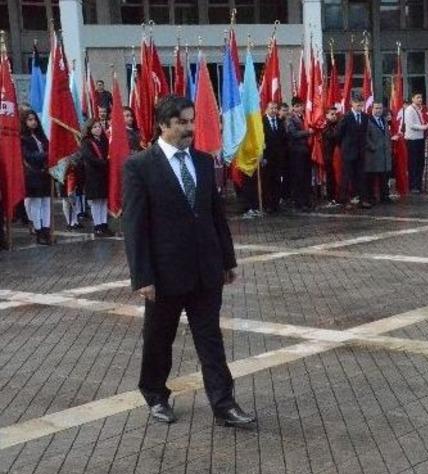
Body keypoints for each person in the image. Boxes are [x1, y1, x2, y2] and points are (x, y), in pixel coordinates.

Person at [122, 95, 255, 427]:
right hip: (165, 274)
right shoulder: (140, 166)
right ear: (163, 124)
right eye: (182, 122)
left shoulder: (204, 161)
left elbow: (215, 215)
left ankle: (224, 404)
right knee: (158, 339)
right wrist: (142, 277)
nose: (189, 128)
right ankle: (155, 395)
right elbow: (134, 227)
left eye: (191, 120)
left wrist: (227, 259)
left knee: (210, 340)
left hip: (206, 270)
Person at [20, 111, 53, 246]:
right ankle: (38, 232)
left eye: (34, 119)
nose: (33, 122)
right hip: (32, 174)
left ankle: (46, 230)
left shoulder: (41, 136)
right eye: (29, 120)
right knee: (36, 203)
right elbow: (29, 156)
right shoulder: (23, 138)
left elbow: (49, 148)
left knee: (46, 202)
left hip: (44, 173)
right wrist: (46, 155)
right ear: (24, 122)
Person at [79, 118, 114, 237]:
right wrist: (104, 163)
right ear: (89, 129)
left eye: (99, 126)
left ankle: (104, 224)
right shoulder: (86, 142)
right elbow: (89, 158)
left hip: (104, 174)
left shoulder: (104, 141)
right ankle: (97, 226)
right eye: (94, 127)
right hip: (93, 175)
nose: (98, 129)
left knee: (103, 201)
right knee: (96, 202)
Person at [338, 96, 370, 208]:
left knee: (361, 176)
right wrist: (344, 146)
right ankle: (345, 200)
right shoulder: (346, 117)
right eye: (357, 105)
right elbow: (339, 134)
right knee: (347, 176)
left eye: (361, 105)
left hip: (360, 151)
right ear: (352, 103)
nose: (359, 107)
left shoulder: (365, 117)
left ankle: (363, 199)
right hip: (348, 151)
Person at [286, 97, 314, 211]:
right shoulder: (290, 118)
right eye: (296, 106)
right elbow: (293, 133)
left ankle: (307, 201)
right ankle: (299, 202)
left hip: (306, 151)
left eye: (300, 106)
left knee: (307, 177)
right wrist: (308, 132)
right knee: (299, 177)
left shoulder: (305, 117)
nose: (299, 108)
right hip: (296, 151)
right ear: (293, 107)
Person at [364, 101, 394, 205]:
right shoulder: (368, 121)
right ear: (372, 109)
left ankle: (384, 196)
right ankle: (371, 197)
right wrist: (373, 147)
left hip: (384, 155)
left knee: (384, 177)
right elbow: (365, 137)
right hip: (373, 155)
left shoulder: (383, 120)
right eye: (376, 108)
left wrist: (388, 148)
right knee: (371, 179)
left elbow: (386, 135)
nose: (378, 110)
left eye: (380, 108)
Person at [404, 92, 428, 193]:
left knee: (420, 163)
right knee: (413, 163)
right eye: (418, 97)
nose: (420, 99)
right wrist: (425, 127)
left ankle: (418, 184)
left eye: (421, 97)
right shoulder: (409, 110)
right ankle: (413, 186)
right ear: (413, 99)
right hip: (412, 140)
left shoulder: (419, 109)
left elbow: (421, 121)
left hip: (420, 139)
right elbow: (411, 125)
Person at [261, 101, 287, 213]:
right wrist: (263, 156)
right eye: (271, 108)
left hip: (278, 158)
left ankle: (276, 203)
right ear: (267, 109)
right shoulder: (262, 122)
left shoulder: (280, 122)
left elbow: (283, 139)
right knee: (267, 181)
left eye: (276, 108)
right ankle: (268, 204)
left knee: (277, 181)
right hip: (267, 158)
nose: (274, 110)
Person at [322, 107, 341, 204]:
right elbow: (332, 136)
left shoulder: (337, 125)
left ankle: (338, 195)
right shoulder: (325, 126)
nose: (334, 116)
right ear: (327, 115)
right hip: (329, 155)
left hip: (337, 155)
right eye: (332, 114)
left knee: (337, 176)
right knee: (330, 177)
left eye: (335, 114)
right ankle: (330, 196)